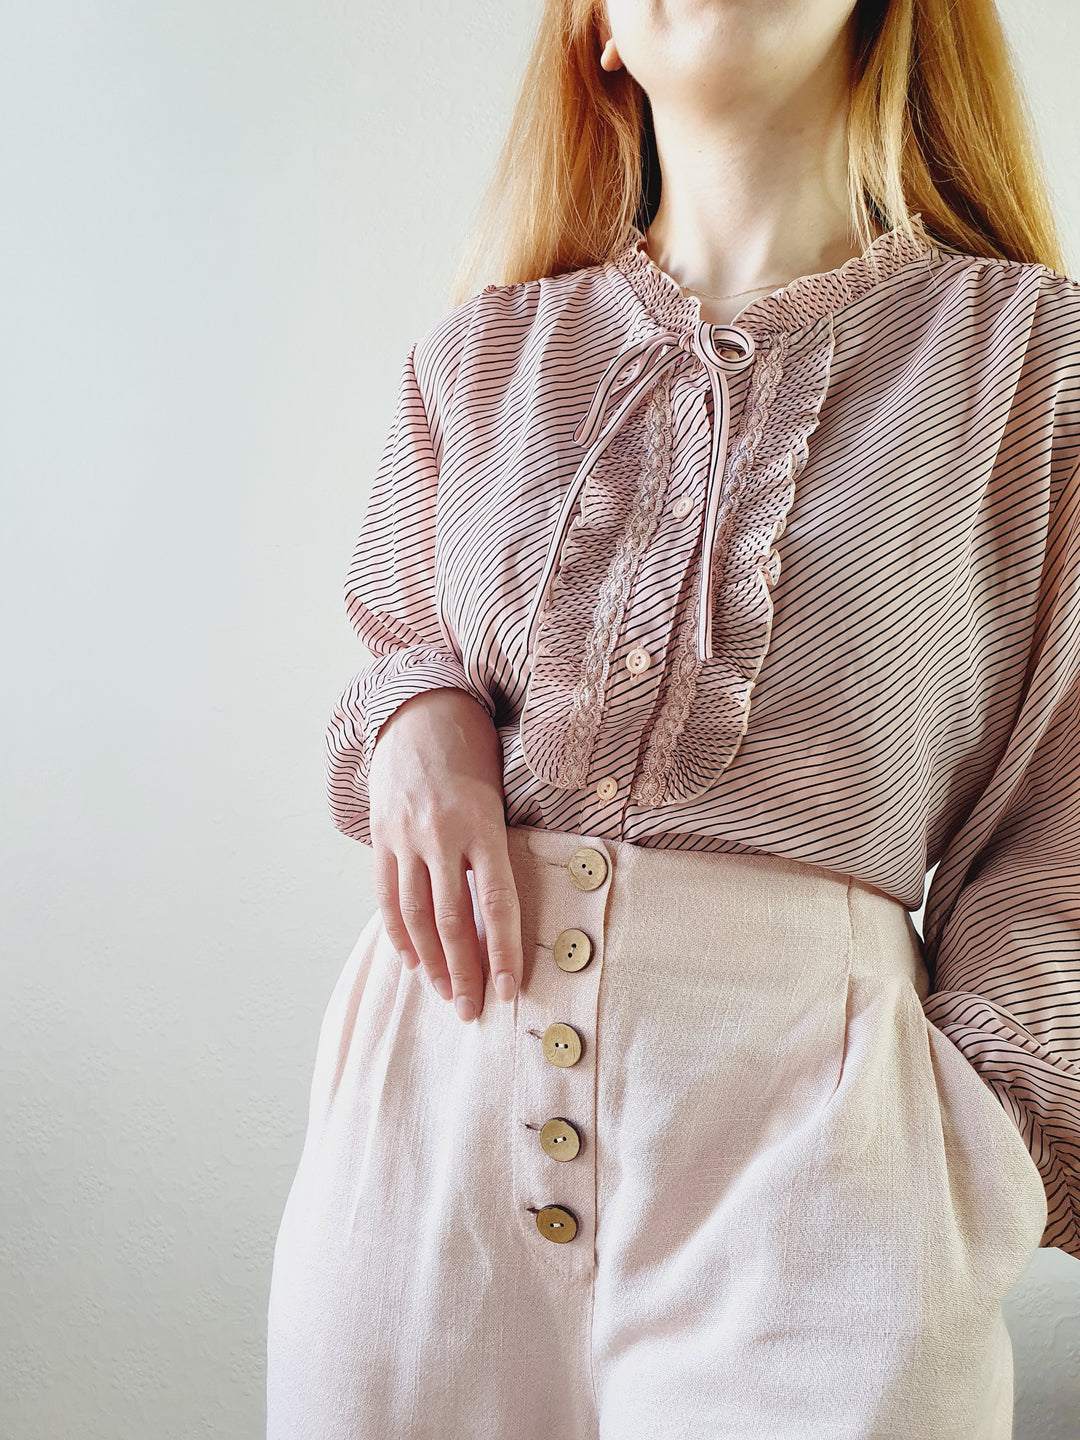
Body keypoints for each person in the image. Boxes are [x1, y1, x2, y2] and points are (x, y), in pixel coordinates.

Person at [266, 1, 1080, 1435]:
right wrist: (416, 720)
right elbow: (397, 639)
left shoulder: (1031, 361)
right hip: (422, 1152)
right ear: (594, 35)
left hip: (821, 1182)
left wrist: (976, 1146)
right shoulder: (478, 359)